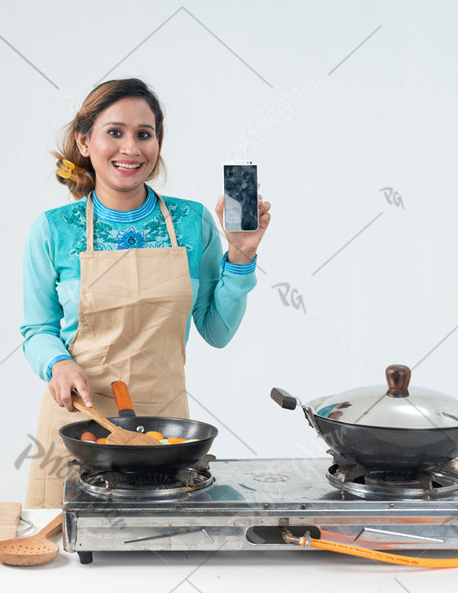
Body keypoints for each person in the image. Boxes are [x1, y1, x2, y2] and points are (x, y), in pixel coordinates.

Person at [20, 78, 271, 508]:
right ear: (84, 141)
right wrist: (58, 363)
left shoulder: (192, 223)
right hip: (79, 425)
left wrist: (241, 255)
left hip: (165, 431)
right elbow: (37, 329)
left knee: (158, 544)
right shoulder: (54, 229)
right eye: (114, 132)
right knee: (62, 553)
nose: (131, 148)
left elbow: (217, 330)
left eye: (144, 134)